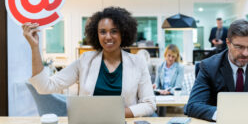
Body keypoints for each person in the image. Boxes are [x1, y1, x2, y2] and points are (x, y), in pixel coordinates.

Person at [23, 7, 156, 117]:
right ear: (96, 35)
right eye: (103, 32)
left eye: (114, 31)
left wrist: (115, 114)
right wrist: (34, 47)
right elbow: (44, 87)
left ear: (123, 33)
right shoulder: (85, 61)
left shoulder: (138, 62)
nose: (108, 36)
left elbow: (150, 104)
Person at [184, 19, 248, 121]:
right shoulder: (209, 66)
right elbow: (193, 106)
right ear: (228, 43)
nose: (245, 53)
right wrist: (229, 114)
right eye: (239, 47)